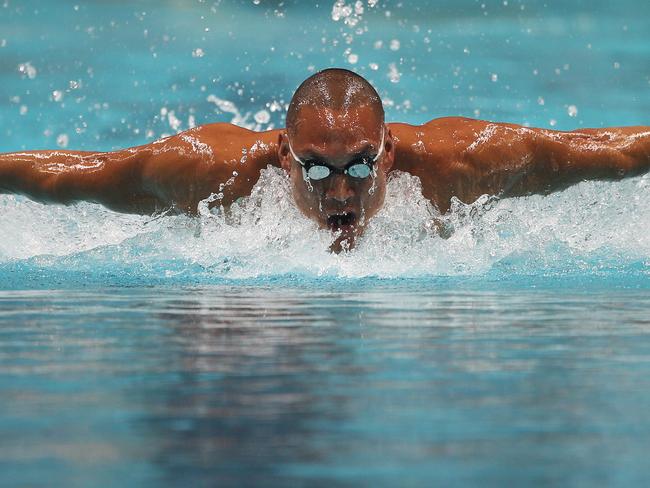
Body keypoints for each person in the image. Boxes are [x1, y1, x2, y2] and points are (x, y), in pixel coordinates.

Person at [1, 68, 649, 251]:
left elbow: (608, 153)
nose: (340, 192)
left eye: (362, 166)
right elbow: (65, 174)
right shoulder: (205, 171)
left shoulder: (464, 163)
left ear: (389, 149)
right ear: (283, 155)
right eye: (315, 169)